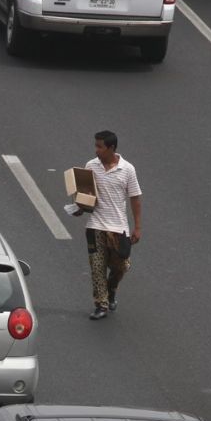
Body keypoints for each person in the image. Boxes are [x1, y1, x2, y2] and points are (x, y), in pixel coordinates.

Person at [79, 130, 142, 320]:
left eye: (100, 146)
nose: (96, 150)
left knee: (120, 265)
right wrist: (79, 207)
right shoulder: (91, 166)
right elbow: (85, 194)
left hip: (117, 228)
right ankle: (101, 305)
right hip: (95, 225)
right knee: (97, 267)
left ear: (111, 148)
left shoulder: (127, 169)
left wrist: (138, 227)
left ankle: (111, 289)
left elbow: (135, 198)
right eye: (95, 145)